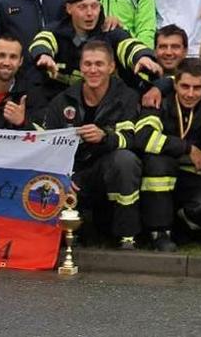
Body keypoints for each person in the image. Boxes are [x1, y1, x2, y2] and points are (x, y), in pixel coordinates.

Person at [42, 41, 144, 249]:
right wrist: (64, 178)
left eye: (99, 64)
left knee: (126, 160)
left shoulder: (126, 97)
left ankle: (127, 235)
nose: (93, 70)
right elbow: (47, 146)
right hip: (74, 178)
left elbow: (131, 139)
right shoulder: (63, 101)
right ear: (81, 67)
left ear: (111, 67)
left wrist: (105, 137)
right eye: (87, 64)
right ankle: (71, 233)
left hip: (107, 172)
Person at [130, 59, 201, 250]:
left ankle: (181, 229)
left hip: (193, 175)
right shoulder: (158, 99)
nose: (190, 94)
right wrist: (187, 148)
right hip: (159, 173)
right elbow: (144, 137)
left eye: (197, 88)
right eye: (184, 86)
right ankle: (159, 232)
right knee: (159, 164)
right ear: (174, 83)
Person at [29, 0, 159, 101]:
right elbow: (43, 40)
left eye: (94, 6)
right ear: (69, 8)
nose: (90, 13)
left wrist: (142, 56)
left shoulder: (110, 31)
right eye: (82, 7)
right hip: (63, 103)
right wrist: (43, 54)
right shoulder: (57, 30)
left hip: (107, 103)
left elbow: (128, 45)